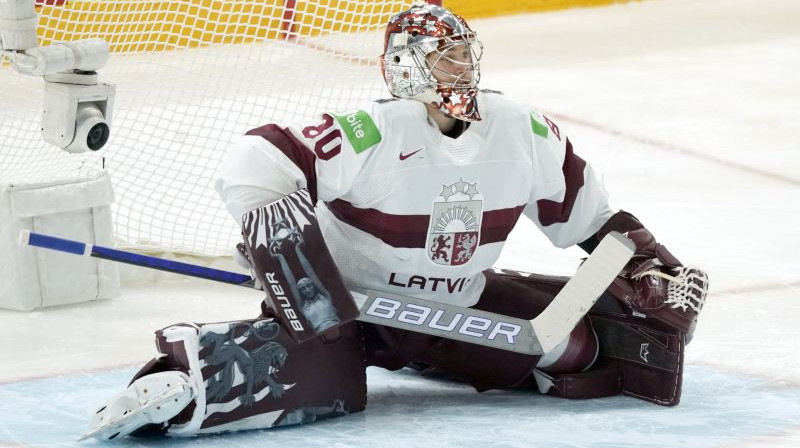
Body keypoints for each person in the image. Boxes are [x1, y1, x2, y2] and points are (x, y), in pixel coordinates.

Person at [83, 3, 708, 441]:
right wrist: (284, 245)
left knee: (585, 351)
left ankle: (426, 357)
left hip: (455, 309)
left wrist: (649, 262)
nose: (462, 70)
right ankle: (175, 387)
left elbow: (588, 215)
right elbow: (258, 155)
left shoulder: (521, 127)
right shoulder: (372, 130)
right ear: (407, 67)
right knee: (317, 386)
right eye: (445, 59)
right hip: (347, 312)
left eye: (465, 55)